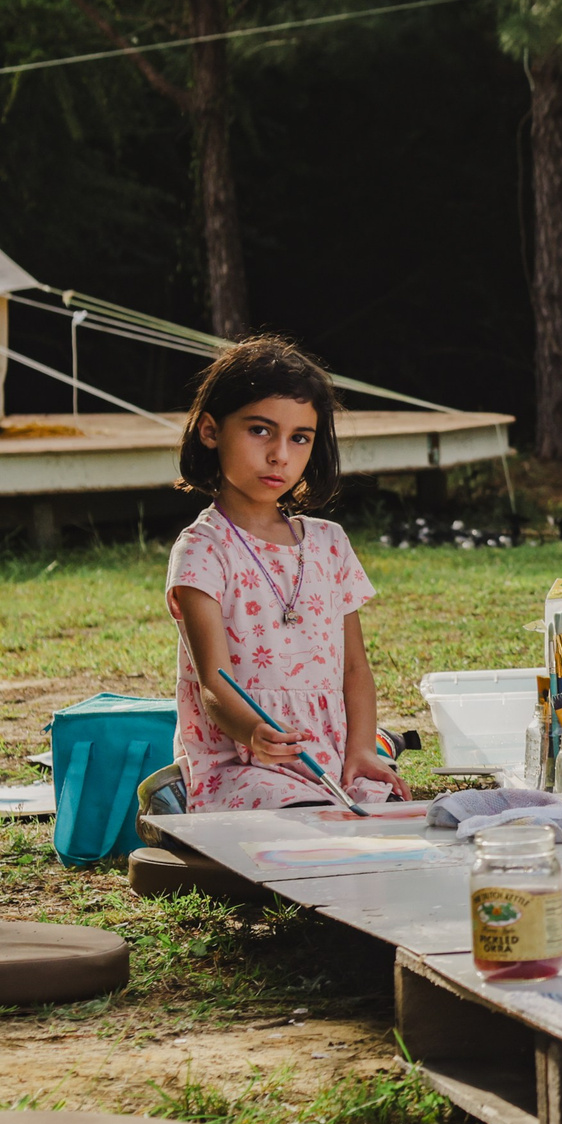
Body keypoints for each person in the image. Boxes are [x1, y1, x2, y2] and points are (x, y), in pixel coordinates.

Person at [165, 336, 405, 810]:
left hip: (334, 759)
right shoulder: (202, 550)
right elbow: (214, 682)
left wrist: (361, 750)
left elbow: (354, 668)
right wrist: (254, 732)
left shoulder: (330, 543)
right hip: (244, 764)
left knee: (387, 814)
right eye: (260, 430)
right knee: (304, 825)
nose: (280, 454)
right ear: (211, 431)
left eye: (300, 438)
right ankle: (175, 798)